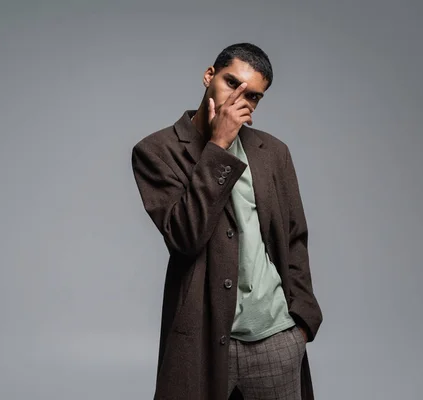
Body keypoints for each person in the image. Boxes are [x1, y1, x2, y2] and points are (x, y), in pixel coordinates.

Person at [130, 43, 323, 400]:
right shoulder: (156, 152)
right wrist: (218, 146)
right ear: (209, 76)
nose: (239, 100)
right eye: (230, 83)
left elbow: (295, 239)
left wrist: (302, 322)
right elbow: (185, 237)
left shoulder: (273, 153)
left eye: (252, 96)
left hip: (276, 340)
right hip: (202, 342)